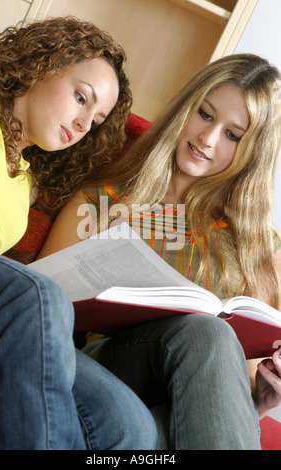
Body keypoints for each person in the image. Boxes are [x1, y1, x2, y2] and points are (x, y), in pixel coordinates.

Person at [37, 54, 281, 449]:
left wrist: (261, 403)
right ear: (186, 107)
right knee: (206, 331)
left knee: (163, 424)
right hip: (103, 375)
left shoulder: (260, 248)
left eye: (233, 135)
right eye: (204, 114)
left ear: (253, 152)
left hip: (167, 417)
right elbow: (38, 315)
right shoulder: (101, 202)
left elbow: (230, 396)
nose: (208, 139)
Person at [0, 17, 158, 449]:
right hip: (7, 299)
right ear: (41, 64)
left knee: (127, 422)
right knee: (38, 295)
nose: (82, 125)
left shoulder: (23, 179)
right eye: (81, 97)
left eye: (95, 121)